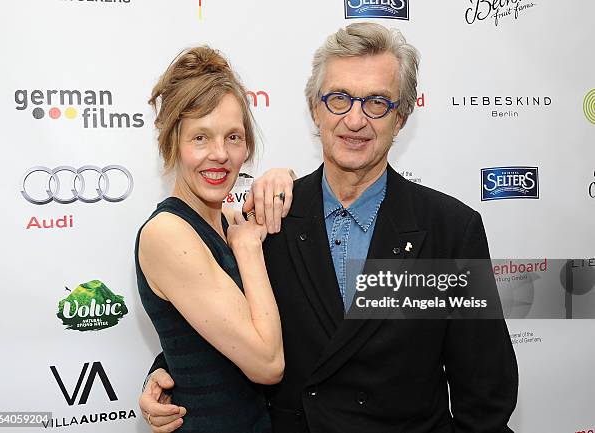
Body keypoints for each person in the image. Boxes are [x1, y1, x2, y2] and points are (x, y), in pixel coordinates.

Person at [140, 23, 519, 433]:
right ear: (315, 108)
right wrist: (166, 371)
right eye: (338, 99)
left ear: (401, 116)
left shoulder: (447, 231)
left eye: (377, 102)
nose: (355, 120)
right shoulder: (268, 220)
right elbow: (225, 320)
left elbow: (485, 393)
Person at [136, 46, 295, 433]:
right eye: (201, 138)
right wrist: (247, 248)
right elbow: (268, 364)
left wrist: (284, 176)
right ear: (173, 142)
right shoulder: (167, 233)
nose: (220, 155)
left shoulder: (228, 219)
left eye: (234, 137)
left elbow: (197, 338)